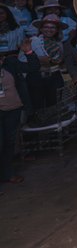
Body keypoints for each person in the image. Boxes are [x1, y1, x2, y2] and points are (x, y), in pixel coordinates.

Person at [0, 38, 37, 186]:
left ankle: (7, 174)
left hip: (12, 109)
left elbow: (33, 67)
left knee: (9, 143)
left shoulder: (11, 64)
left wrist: (28, 51)